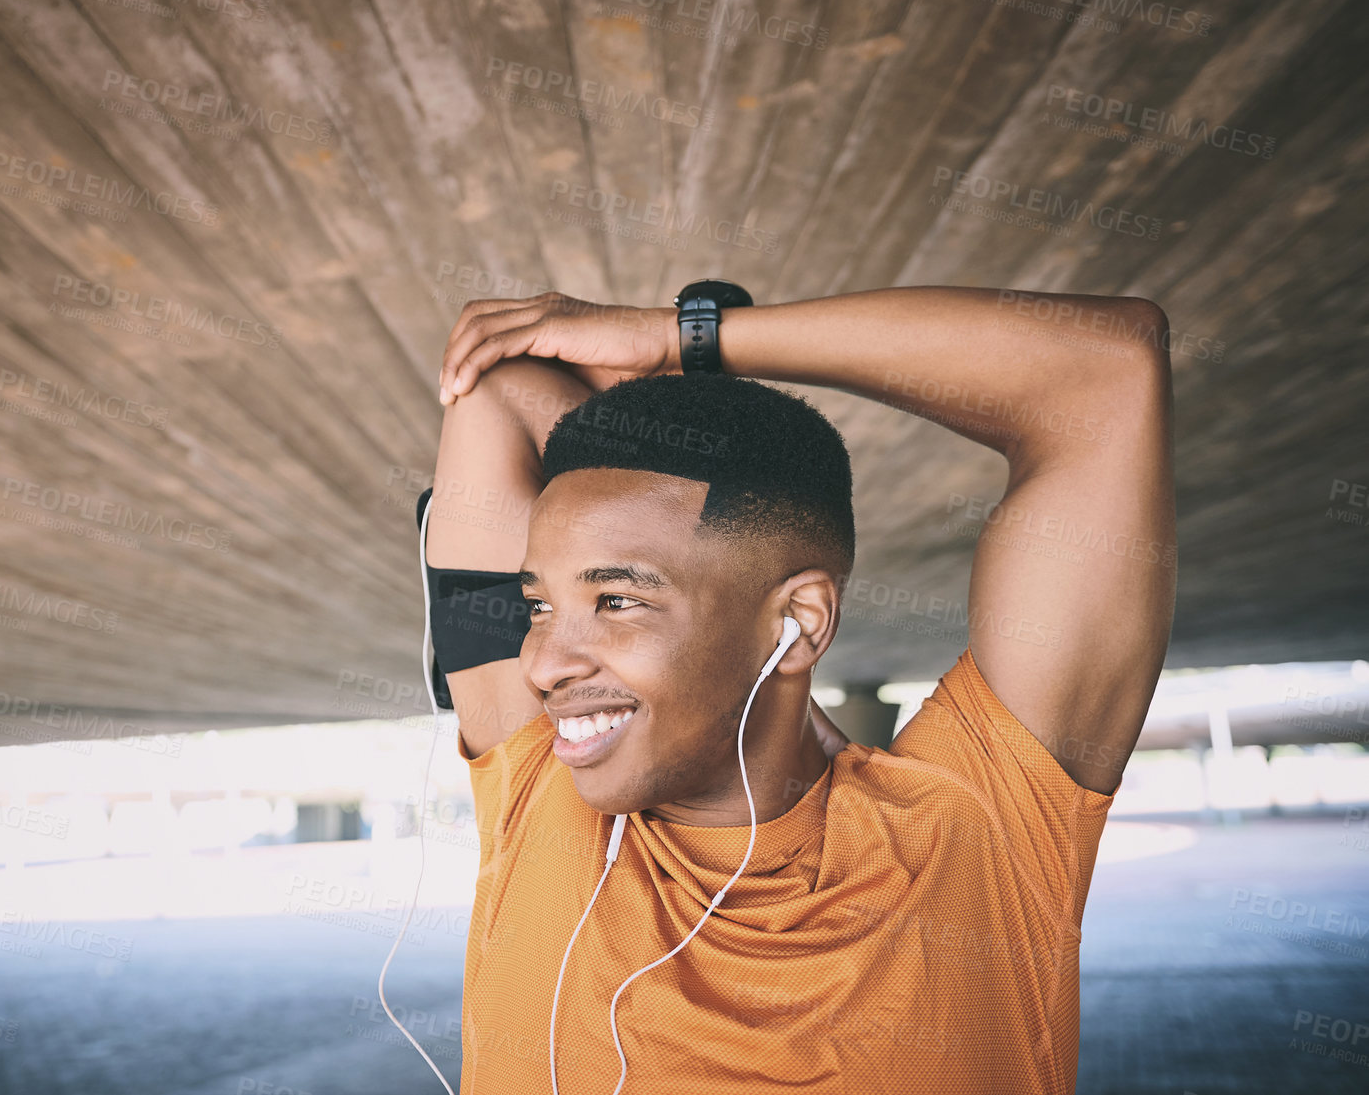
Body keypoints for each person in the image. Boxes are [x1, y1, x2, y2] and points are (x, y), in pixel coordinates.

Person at [417, 286, 1175, 1094]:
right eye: (540, 604)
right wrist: (676, 404)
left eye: (617, 600)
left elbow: (1108, 370)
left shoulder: (979, 827)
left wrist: (686, 344)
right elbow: (495, 382)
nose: (541, 666)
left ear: (800, 623)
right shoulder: (547, 796)